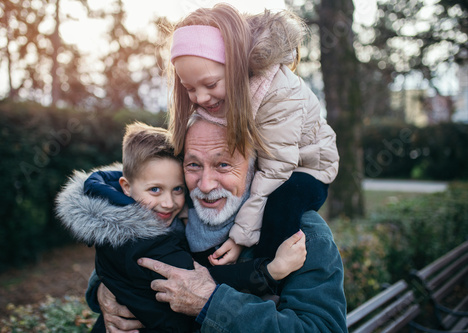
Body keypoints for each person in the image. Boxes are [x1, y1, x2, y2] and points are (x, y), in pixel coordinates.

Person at [90, 115, 347, 333]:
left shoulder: (302, 233)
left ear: (256, 167)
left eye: (223, 164)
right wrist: (105, 289)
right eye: (193, 165)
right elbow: (123, 241)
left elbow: (322, 327)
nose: (205, 185)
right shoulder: (176, 205)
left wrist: (212, 303)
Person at [167, 3, 340, 265]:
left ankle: (266, 274)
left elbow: (276, 168)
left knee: (282, 203)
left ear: (235, 65)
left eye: (211, 84)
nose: (200, 97)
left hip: (304, 167)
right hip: (264, 157)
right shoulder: (217, 96)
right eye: (189, 88)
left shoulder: (279, 93)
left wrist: (240, 237)